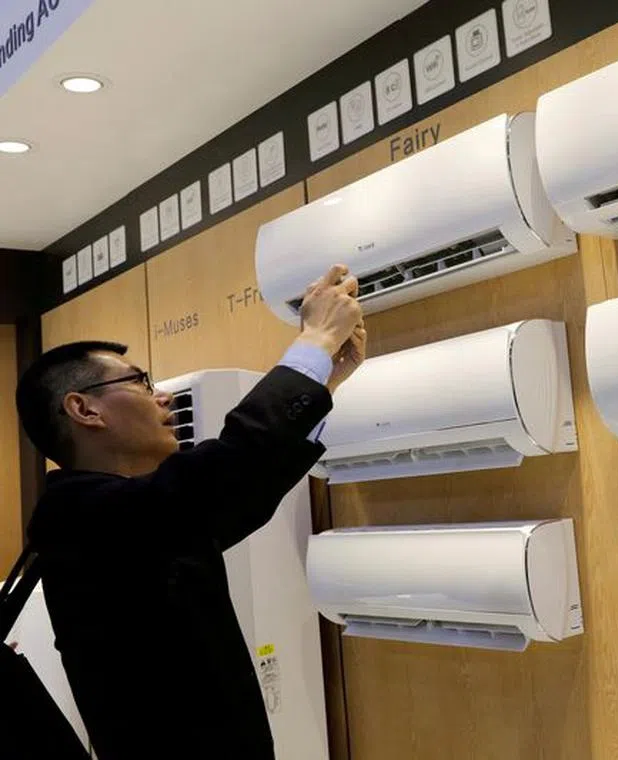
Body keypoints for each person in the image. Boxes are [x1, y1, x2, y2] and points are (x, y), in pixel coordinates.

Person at [14, 264, 366, 760]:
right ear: (84, 410)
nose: (163, 396)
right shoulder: (74, 516)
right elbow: (220, 480)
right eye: (141, 382)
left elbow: (235, 496)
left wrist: (321, 383)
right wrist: (315, 340)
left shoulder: (125, 510)